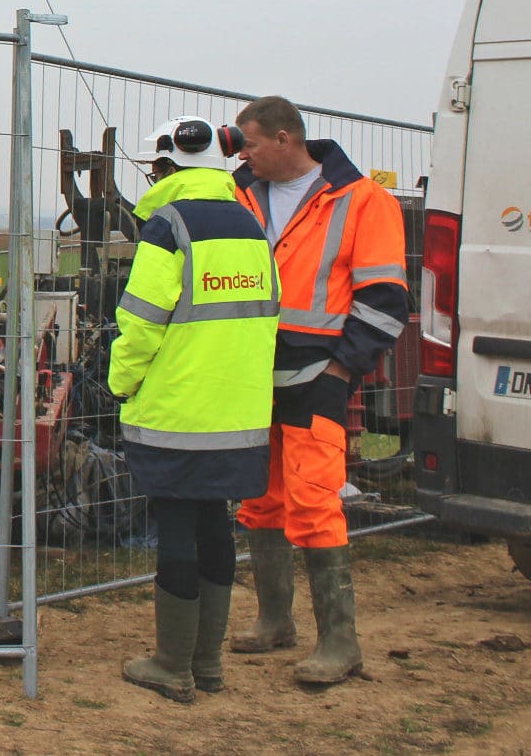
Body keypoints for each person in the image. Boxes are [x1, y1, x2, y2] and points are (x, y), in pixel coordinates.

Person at [228, 95, 410, 686]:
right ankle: (274, 622)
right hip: (255, 372)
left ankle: (341, 643)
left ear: (285, 139)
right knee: (260, 501)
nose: (241, 152)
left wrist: (341, 372)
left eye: (249, 142)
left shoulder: (364, 201)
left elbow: (385, 299)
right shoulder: (240, 194)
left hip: (319, 374)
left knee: (314, 502)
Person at [108, 117, 281, 702]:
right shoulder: (250, 225)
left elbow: (139, 322)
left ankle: (171, 665)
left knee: (178, 526)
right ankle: (207, 665)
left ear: (165, 167)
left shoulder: (168, 225)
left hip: (179, 410)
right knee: (215, 524)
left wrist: (120, 383)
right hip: (239, 414)